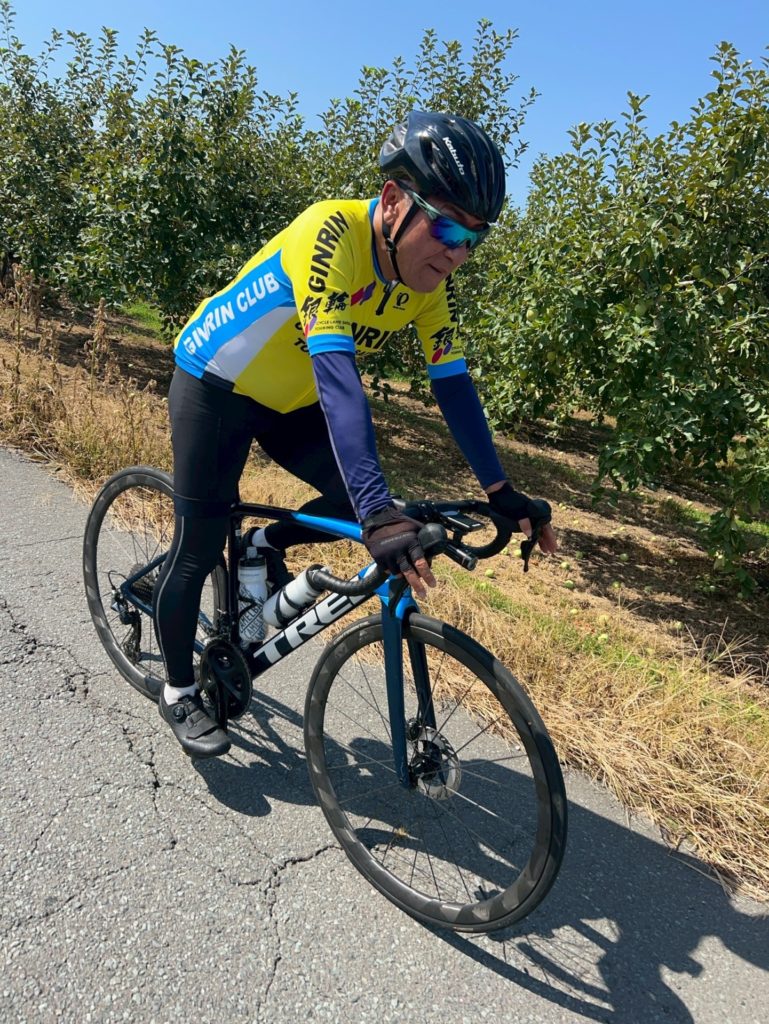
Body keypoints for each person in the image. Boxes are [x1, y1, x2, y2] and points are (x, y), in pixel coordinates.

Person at [154, 110, 558, 758]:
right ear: (393, 201)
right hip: (217, 385)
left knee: (363, 501)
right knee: (198, 548)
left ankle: (262, 543)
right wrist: (377, 514)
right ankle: (178, 691)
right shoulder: (330, 232)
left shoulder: (425, 284)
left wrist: (499, 489)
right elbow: (340, 379)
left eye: (474, 239)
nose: (457, 253)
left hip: (290, 400)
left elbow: (453, 386)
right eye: (447, 226)